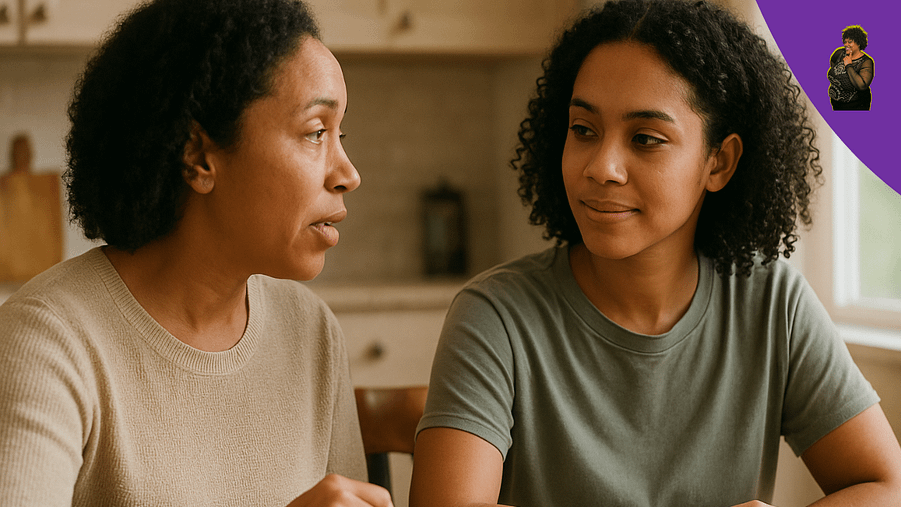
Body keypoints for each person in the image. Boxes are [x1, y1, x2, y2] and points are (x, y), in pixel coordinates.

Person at [410, 1, 901, 506]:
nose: (602, 167)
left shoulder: (774, 303)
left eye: (645, 139)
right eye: (583, 130)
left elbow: (886, 485)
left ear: (719, 162)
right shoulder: (495, 316)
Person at [0, 0, 393, 506]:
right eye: (316, 133)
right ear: (199, 156)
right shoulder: (46, 342)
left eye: (341, 135)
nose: (348, 173)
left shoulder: (312, 331)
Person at [828, 25, 874, 110]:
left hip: (856, 105)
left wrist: (848, 65)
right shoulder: (840, 53)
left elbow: (861, 85)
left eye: (850, 42)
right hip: (836, 104)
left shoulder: (866, 62)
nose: (846, 45)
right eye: (845, 42)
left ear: (859, 43)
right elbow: (832, 62)